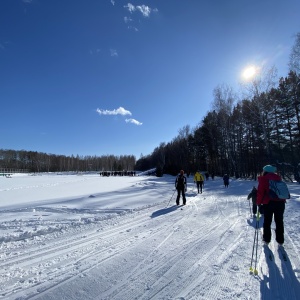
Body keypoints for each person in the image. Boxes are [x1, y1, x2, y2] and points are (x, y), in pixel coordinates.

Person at [257, 165, 286, 246]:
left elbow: (260, 193)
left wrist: (258, 203)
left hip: (268, 203)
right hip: (280, 203)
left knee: (267, 221)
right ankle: (280, 240)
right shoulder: (279, 178)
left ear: (265, 171)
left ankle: (267, 239)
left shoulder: (263, 179)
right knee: (279, 221)